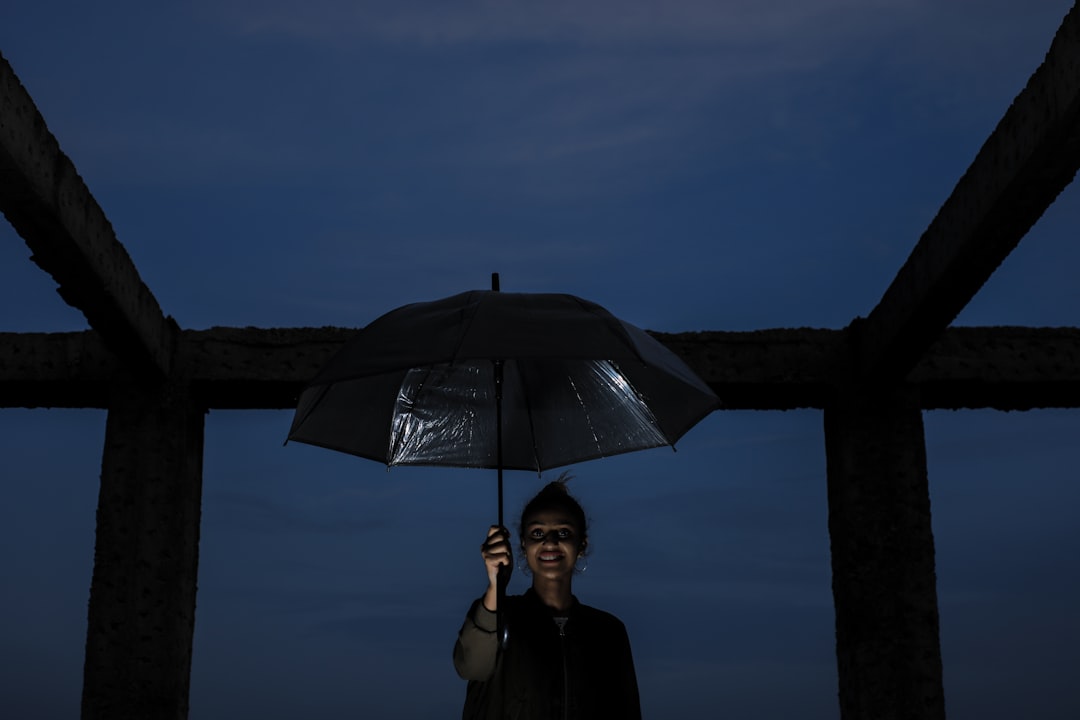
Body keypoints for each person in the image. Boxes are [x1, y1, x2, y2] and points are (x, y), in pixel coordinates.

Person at [453, 476, 642, 719]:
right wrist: (495, 589)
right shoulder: (498, 616)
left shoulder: (608, 633)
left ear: (581, 544)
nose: (549, 542)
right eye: (537, 532)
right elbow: (469, 665)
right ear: (523, 544)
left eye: (563, 532)